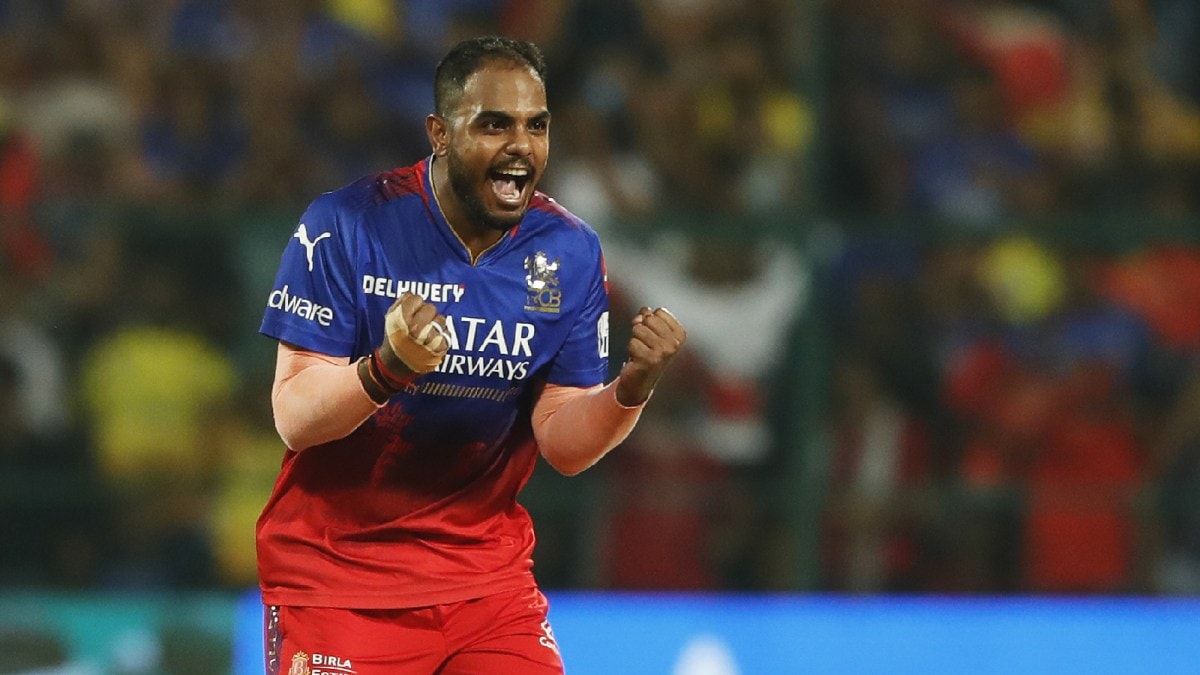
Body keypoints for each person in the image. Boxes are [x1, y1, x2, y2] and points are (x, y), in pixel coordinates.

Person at [256, 35, 686, 674]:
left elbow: (563, 444)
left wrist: (630, 390)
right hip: (342, 583)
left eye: (536, 126)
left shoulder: (569, 252)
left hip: (487, 587)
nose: (521, 146)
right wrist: (385, 371)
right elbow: (293, 414)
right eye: (495, 125)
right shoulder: (345, 225)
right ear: (440, 132)